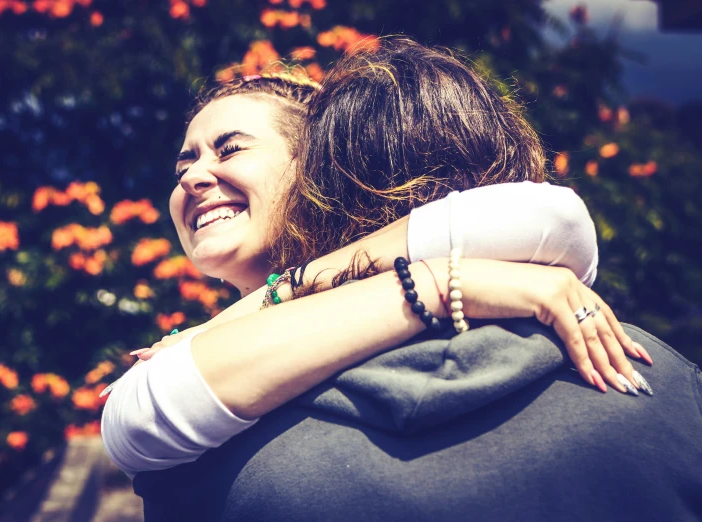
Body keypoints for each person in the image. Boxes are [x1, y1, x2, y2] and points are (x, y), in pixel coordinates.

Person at [123, 38, 702, 521]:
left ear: (317, 175)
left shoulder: (210, 449)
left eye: (230, 150)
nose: (195, 176)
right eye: (183, 165)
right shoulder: (670, 388)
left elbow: (552, 218)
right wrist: (444, 280)